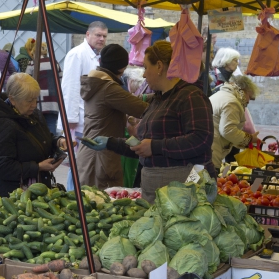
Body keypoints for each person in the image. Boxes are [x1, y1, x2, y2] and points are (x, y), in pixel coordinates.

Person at [88, 41, 214, 203]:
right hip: (158, 187)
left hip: (184, 188)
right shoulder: (159, 99)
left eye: (146, 67)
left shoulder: (191, 96)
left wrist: (155, 146)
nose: (144, 74)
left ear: (160, 66)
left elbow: (201, 139)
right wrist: (110, 143)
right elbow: (143, 146)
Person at [0, 73, 70, 198]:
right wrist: (38, 167)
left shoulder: (32, 114)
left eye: (36, 99)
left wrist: (58, 141)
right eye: (29, 100)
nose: (34, 104)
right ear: (13, 99)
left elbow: (40, 138)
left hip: (37, 189)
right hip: (14, 197)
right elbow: (2, 166)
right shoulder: (2, 123)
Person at [77, 45, 148, 189]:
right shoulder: (108, 88)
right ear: (122, 68)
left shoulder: (96, 82)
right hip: (100, 158)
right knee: (101, 204)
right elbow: (142, 108)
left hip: (91, 155)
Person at [60, 21, 109, 189]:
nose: (101, 39)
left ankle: (78, 196)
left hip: (87, 119)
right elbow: (70, 88)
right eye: (98, 35)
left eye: (104, 36)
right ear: (87, 35)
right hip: (78, 120)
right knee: (78, 164)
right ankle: (72, 197)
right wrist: (71, 120)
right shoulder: (77, 54)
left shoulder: (94, 56)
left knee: (85, 164)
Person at [209, 75, 260, 170]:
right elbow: (228, 131)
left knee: (195, 180)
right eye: (249, 96)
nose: (248, 100)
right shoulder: (232, 102)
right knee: (206, 181)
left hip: (205, 149)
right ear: (244, 90)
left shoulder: (221, 95)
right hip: (211, 151)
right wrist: (249, 139)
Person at [26, 40, 62, 135]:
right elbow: (61, 80)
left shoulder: (32, 64)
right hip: (53, 100)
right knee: (51, 124)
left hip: (37, 101)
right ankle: (53, 147)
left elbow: (26, 82)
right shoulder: (55, 62)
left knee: (37, 126)